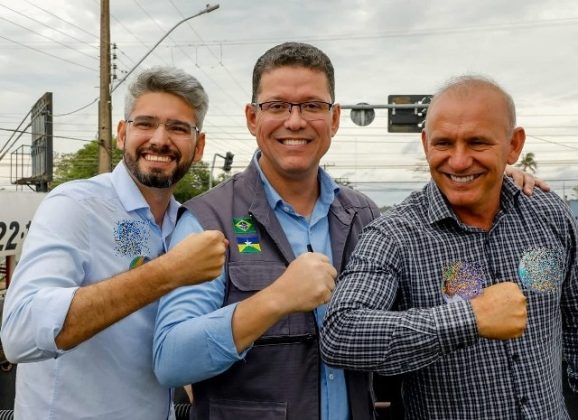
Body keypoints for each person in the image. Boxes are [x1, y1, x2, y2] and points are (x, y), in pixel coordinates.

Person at [152, 44, 544, 420]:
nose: (295, 121)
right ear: (252, 118)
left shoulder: (363, 215)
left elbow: (404, 329)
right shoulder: (207, 219)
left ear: (335, 119)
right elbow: (171, 360)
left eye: (312, 106)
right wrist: (274, 299)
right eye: (277, 106)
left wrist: (492, 176)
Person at [320, 75, 578, 419]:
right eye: (443, 143)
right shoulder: (394, 235)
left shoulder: (548, 213)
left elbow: (574, 318)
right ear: (425, 143)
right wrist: (469, 318)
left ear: (514, 145)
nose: (458, 161)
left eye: (477, 143)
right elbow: (341, 333)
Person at [0, 67, 227, 420]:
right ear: (122, 134)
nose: (160, 139)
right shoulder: (75, 205)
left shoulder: (187, 224)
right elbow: (20, 334)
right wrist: (168, 272)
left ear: (198, 147)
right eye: (145, 123)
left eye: (178, 128)